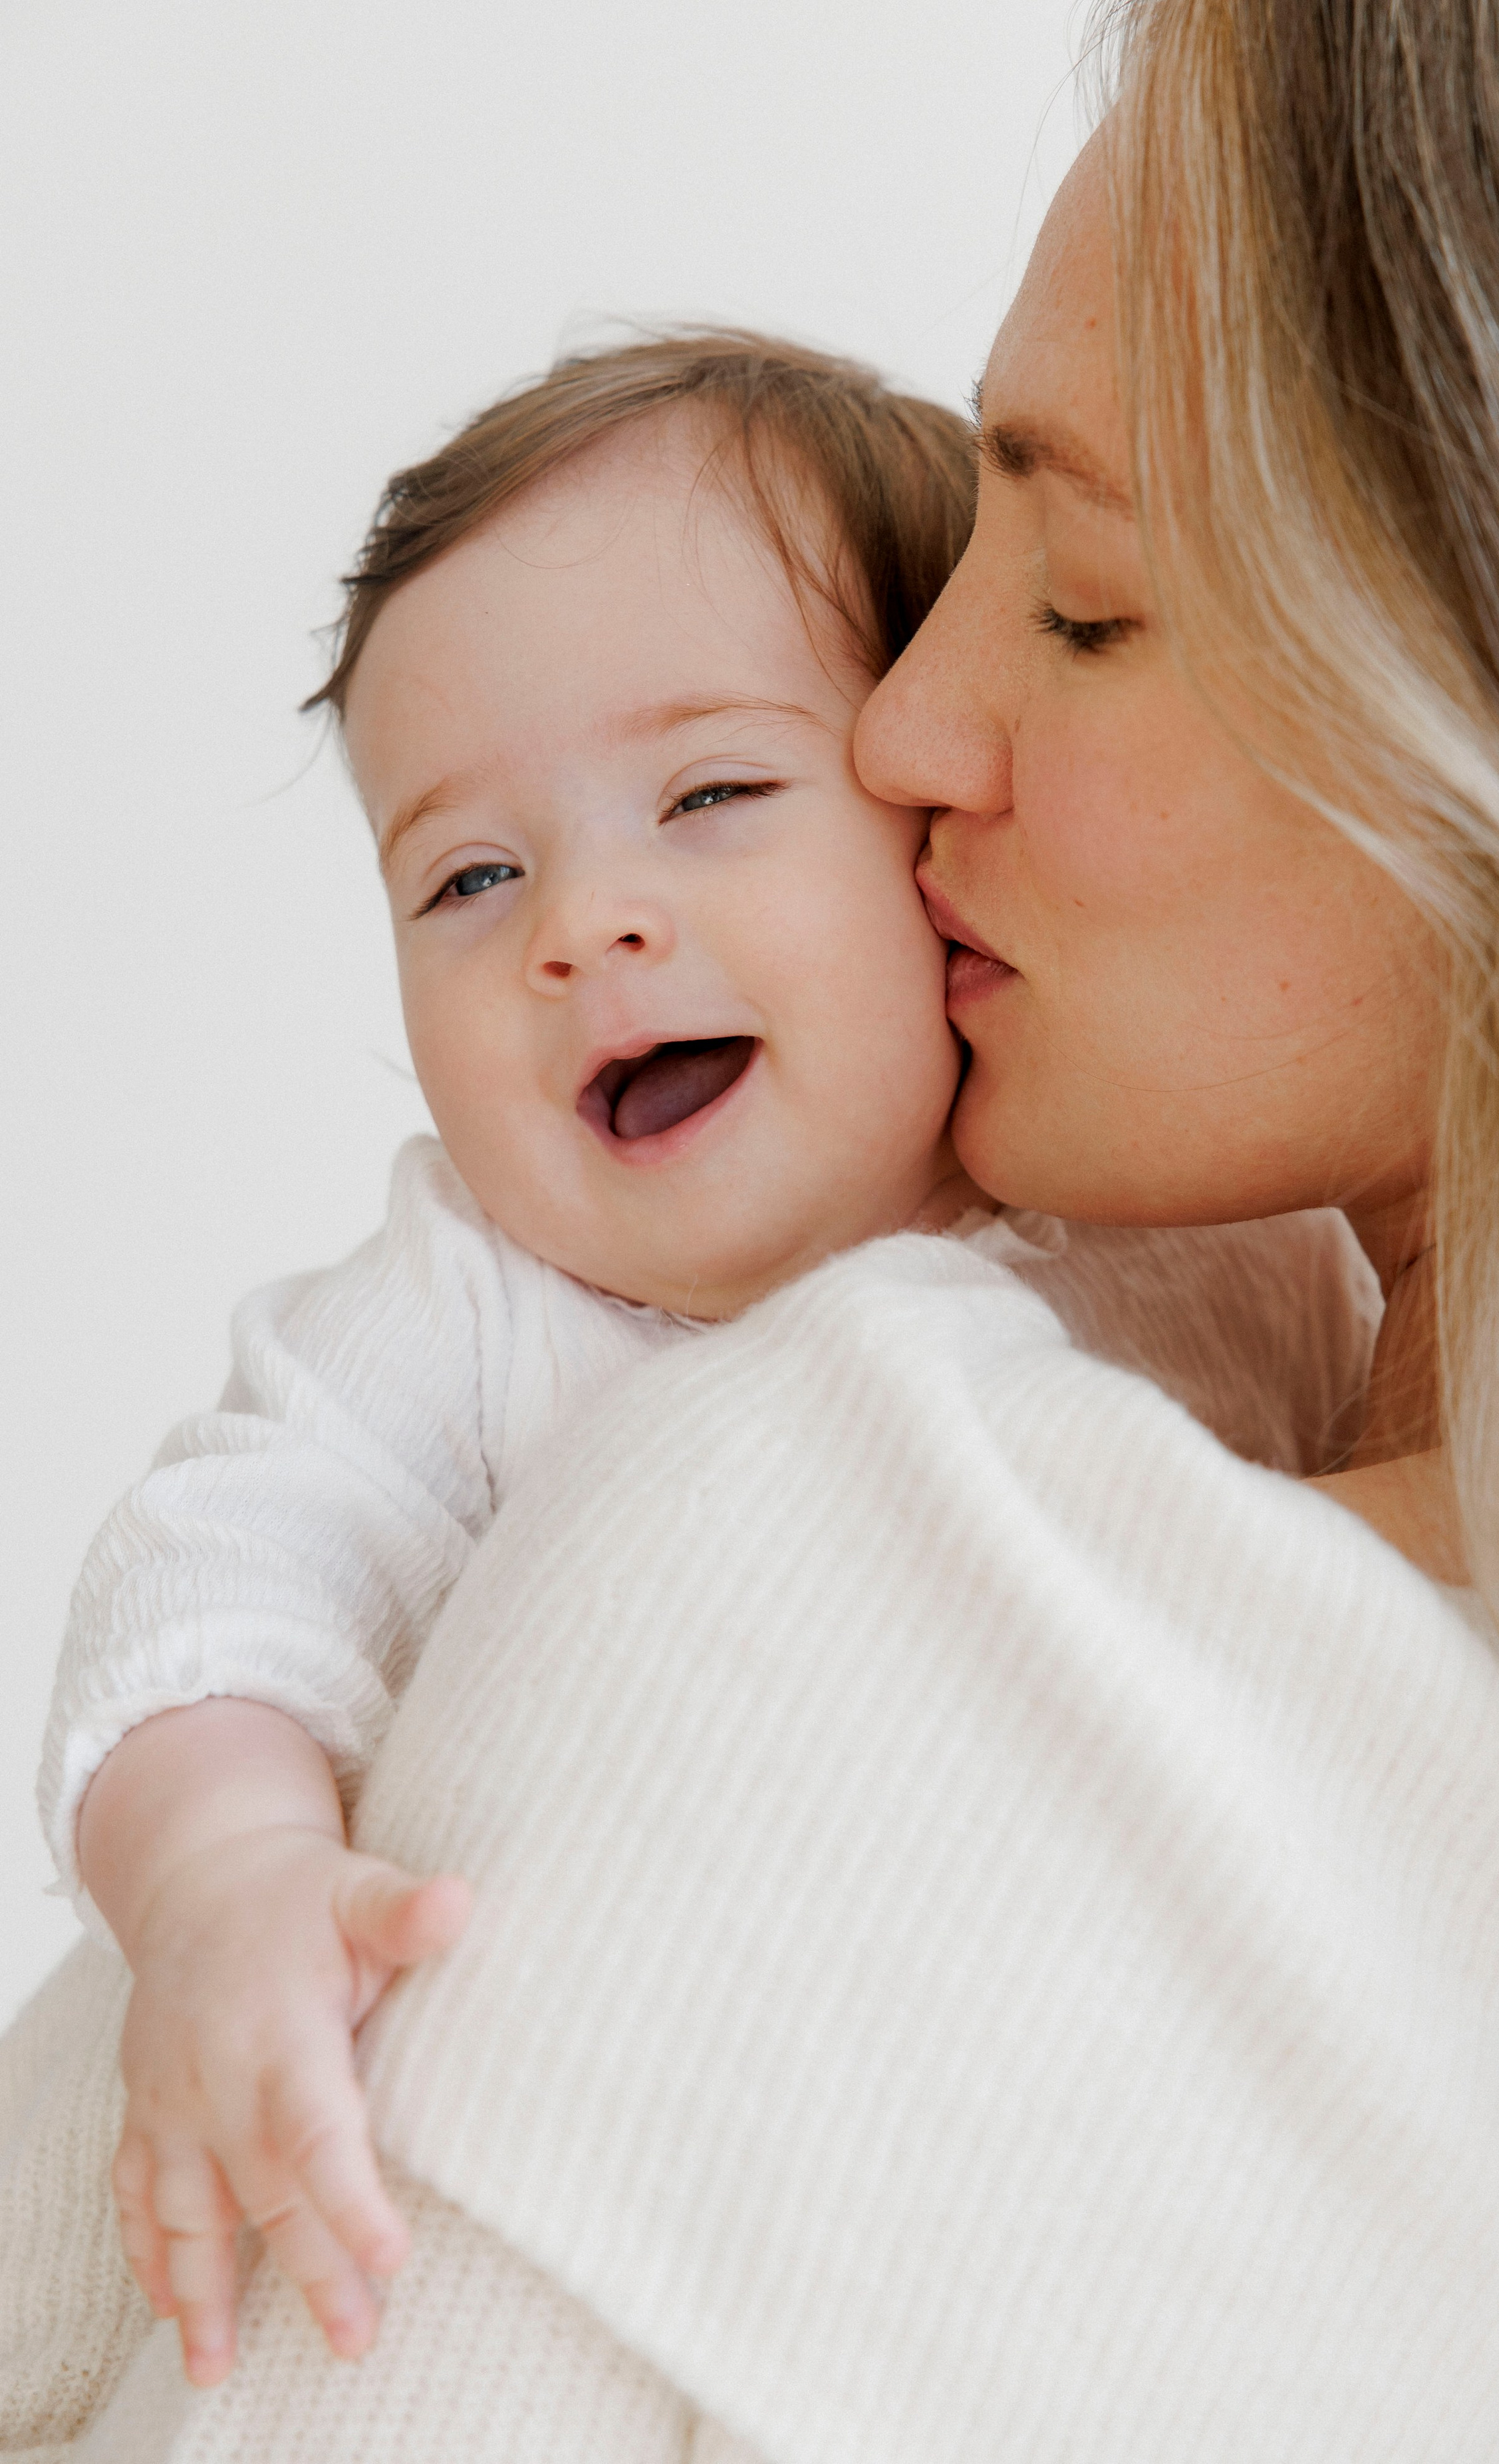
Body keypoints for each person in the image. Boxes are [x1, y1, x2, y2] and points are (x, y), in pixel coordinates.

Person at [20, 329, 1373, 2411]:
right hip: (270, 2125)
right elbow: (219, 1585)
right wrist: (224, 1877)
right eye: (468, 876)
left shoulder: (1217, 1247)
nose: (578, 926)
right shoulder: (475, 1304)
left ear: (942, 831)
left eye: (714, 794)